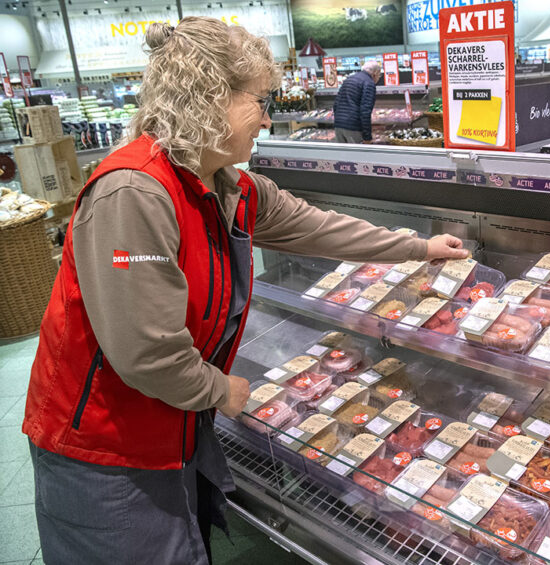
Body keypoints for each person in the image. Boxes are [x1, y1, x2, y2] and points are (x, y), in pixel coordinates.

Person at [21, 17, 467, 565]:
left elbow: (315, 227)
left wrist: (418, 248)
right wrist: (219, 391)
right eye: (260, 100)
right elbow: (145, 349)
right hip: (106, 449)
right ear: (210, 98)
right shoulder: (133, 193)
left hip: (173, 426)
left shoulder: (225, 182)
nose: (269, 116)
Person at [333, 61, 381, 144]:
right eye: (379, 75)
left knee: (342, 156)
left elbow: (336, 104)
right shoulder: (369, 83)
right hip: (353, 128)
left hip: (338, 126)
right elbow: (365, 111)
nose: (379, 77)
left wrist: (339, 121)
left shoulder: (349, 79)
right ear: (375, 73)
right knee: (358, 156)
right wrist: (367, 137)